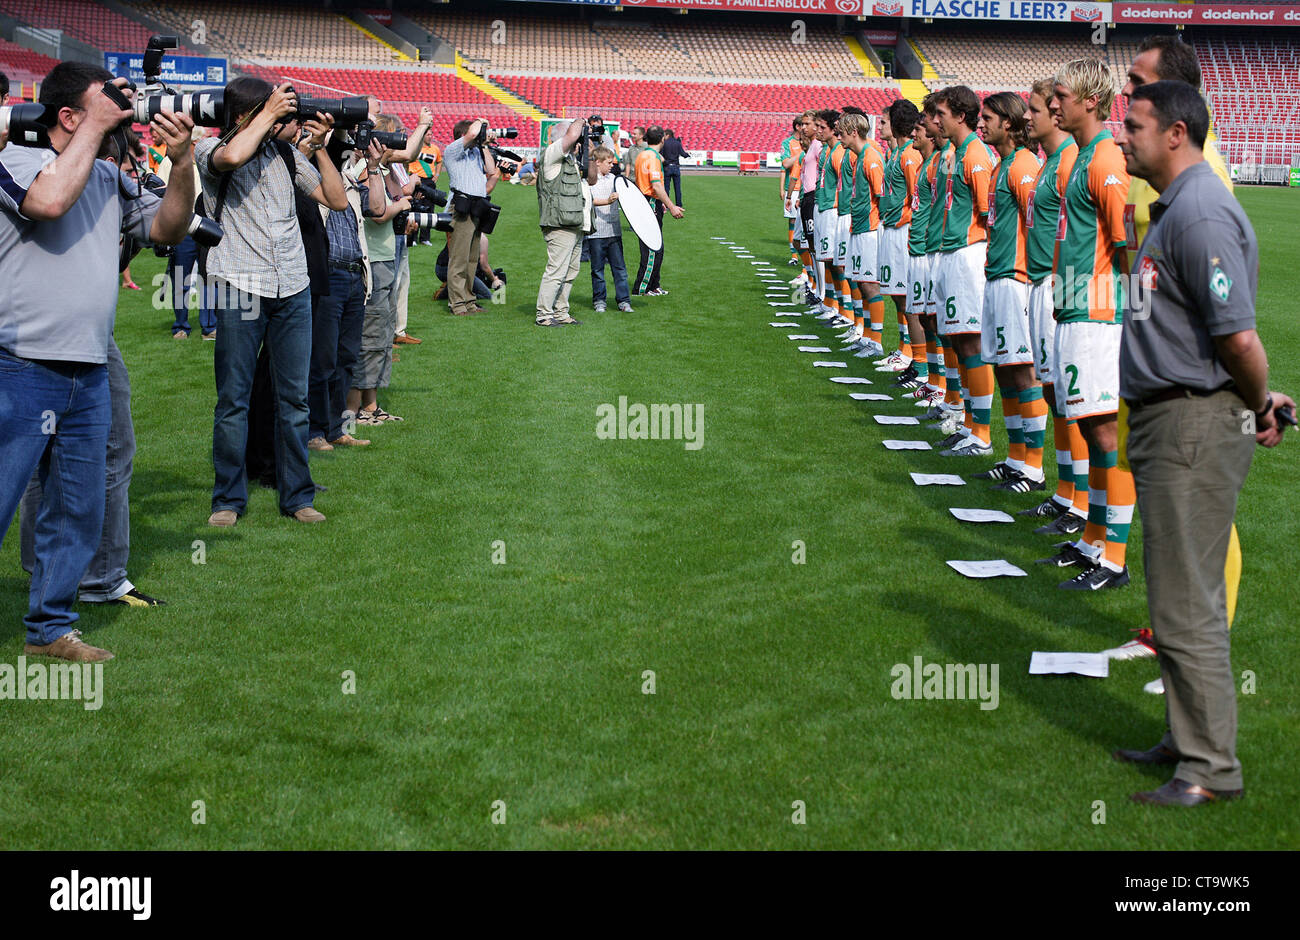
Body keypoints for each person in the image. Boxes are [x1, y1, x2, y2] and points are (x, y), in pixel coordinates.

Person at [1114, 80, 1295, 806]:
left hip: (1192, 422)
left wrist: (1257, 404)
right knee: (1176, 593)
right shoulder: (1174, 210)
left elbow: (1239, 336)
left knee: (1188, 601)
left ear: (1176, 134)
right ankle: (1183, 738)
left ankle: (1210, 770)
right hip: (1171, 418)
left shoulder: (1199, 214)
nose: (1123, 137)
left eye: (1134, 125)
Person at [0, 63, 196, 661]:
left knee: (78, 506)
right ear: (68, 117)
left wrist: (183, 161)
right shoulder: (14, 164)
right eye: (106, 101)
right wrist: (97, 126)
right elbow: (51, 201)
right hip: (20, 363)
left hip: (89, 367)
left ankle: (50, 630)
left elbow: (170, 227)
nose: (123, 107)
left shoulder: (111, 176)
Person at [196, 78, 348, 528]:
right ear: (246, 114)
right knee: (234, 399)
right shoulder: (211, 149)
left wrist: (319, 147)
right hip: (239, 284)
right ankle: (227, 498)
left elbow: (336, 200)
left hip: (293, 287)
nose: (284, 119)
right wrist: (267, 117)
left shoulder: (285, 154)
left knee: (294, 400)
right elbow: (232, 156)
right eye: (274, 110)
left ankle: (297, 496)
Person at [1039, 60, 1134, 589]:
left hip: (1098, 314)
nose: (1055, 105)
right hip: (1075, 308)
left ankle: (1113, 559)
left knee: (1105, 434)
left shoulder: (1104, 160)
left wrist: (1133, 315)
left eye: (1062, 96)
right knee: (1087, 429)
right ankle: (1093, 539)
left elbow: (1127, 246)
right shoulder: (1080, 159)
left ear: (1090, 100)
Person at [1018, 79, 1088, 532]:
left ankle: (1080, 501)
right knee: (1053, 393)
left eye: (1037, 108)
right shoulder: (1050, 163)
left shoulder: (1068, 162)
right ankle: (1066, 493)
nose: (1029, 116)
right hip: (1044, 284)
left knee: (1074, 401)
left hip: (1065, 288)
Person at [973, 91, 1046, 492]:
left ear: (1009, 124)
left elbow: (1036, 227)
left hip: (1016, 280)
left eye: (988, 118)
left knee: (1024, 373)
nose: (982, 124)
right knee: (1006, 371)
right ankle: (1015, 457)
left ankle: (1033, 467)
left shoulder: (1022, 167)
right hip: (997, 275)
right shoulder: (1003, 165)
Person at [930, 85, 996, 459]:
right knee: (958, 341)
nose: (936, 120)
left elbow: (989, 215)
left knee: (971, 343)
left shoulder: (974, 155)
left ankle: (981, 433)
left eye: (941, 114)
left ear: (960, 115)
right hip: (951, 252)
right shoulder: (958, 153)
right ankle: (971, 425)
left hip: (969, 253)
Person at [310, 135, 386, 450]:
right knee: (322, 358)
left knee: (346, 359)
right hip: (328, 275)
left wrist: (374, 166)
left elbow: (379, 207)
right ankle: (313, 431)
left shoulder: (349, 179)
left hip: (356, 276)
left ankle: (336, 429)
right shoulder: (310, 174)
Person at [535, 118, 597, 327]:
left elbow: (592, 180)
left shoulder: (571, 160)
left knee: (570, 272)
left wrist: (589, 153)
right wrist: (580, 121)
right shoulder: (552, 154)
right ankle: (544, 314)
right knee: (556, 271)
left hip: (575, 224)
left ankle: (561, 312)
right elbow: (571, 135)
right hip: (560, 225)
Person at [442, 117, 498, 317]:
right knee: (459, 258)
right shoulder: (452, 150)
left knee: (472, 258)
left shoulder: (476, 151)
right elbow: (473, 133)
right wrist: (482, 121)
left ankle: (468, 300)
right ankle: (457, 303)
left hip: (477, 207)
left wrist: (484, 146)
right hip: (461, 208)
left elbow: (492, 171)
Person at [632, 125, 683, 297]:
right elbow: (656, 186)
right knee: (652, 248)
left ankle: (654, 285)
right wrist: (671, 205)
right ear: (663, 139)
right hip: (650, 202)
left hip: (648, 201)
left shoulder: (644, 155)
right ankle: (643, 287)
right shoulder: (652, 158)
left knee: (657, 247)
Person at [586, 146, 633, 314]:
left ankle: (624, 301)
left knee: (619, 269)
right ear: (598, 163)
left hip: (614, 232)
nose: (612, 165)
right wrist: (607, 200)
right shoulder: (589, 180)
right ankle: (599, 300)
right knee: (597, 270)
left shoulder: (615, 179)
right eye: (608, 162)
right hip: (596, 232)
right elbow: (590, 200)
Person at [660, 128, 688, 206]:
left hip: (667, 167)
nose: (663, 137)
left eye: (664, 135)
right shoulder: (677, 143)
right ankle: (679, 204)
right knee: (677, 188)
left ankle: (666, 205)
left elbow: (661, 155)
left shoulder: (664, 143)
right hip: (676, 167)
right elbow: (683, 153)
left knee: (666, 188)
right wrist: (687, 155)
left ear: (668, 135)